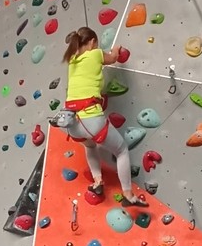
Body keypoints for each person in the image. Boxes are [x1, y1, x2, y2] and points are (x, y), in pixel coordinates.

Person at [62, 26, 148, 207]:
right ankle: (128, 194)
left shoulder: (72, 61)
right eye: (96, 43)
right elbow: (113, 58)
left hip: (72, 123)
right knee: (121, 150)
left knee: (90, 146)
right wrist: (115, 49)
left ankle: (97, 181)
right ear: (92, 42)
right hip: (91, 118)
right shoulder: (95, 54)